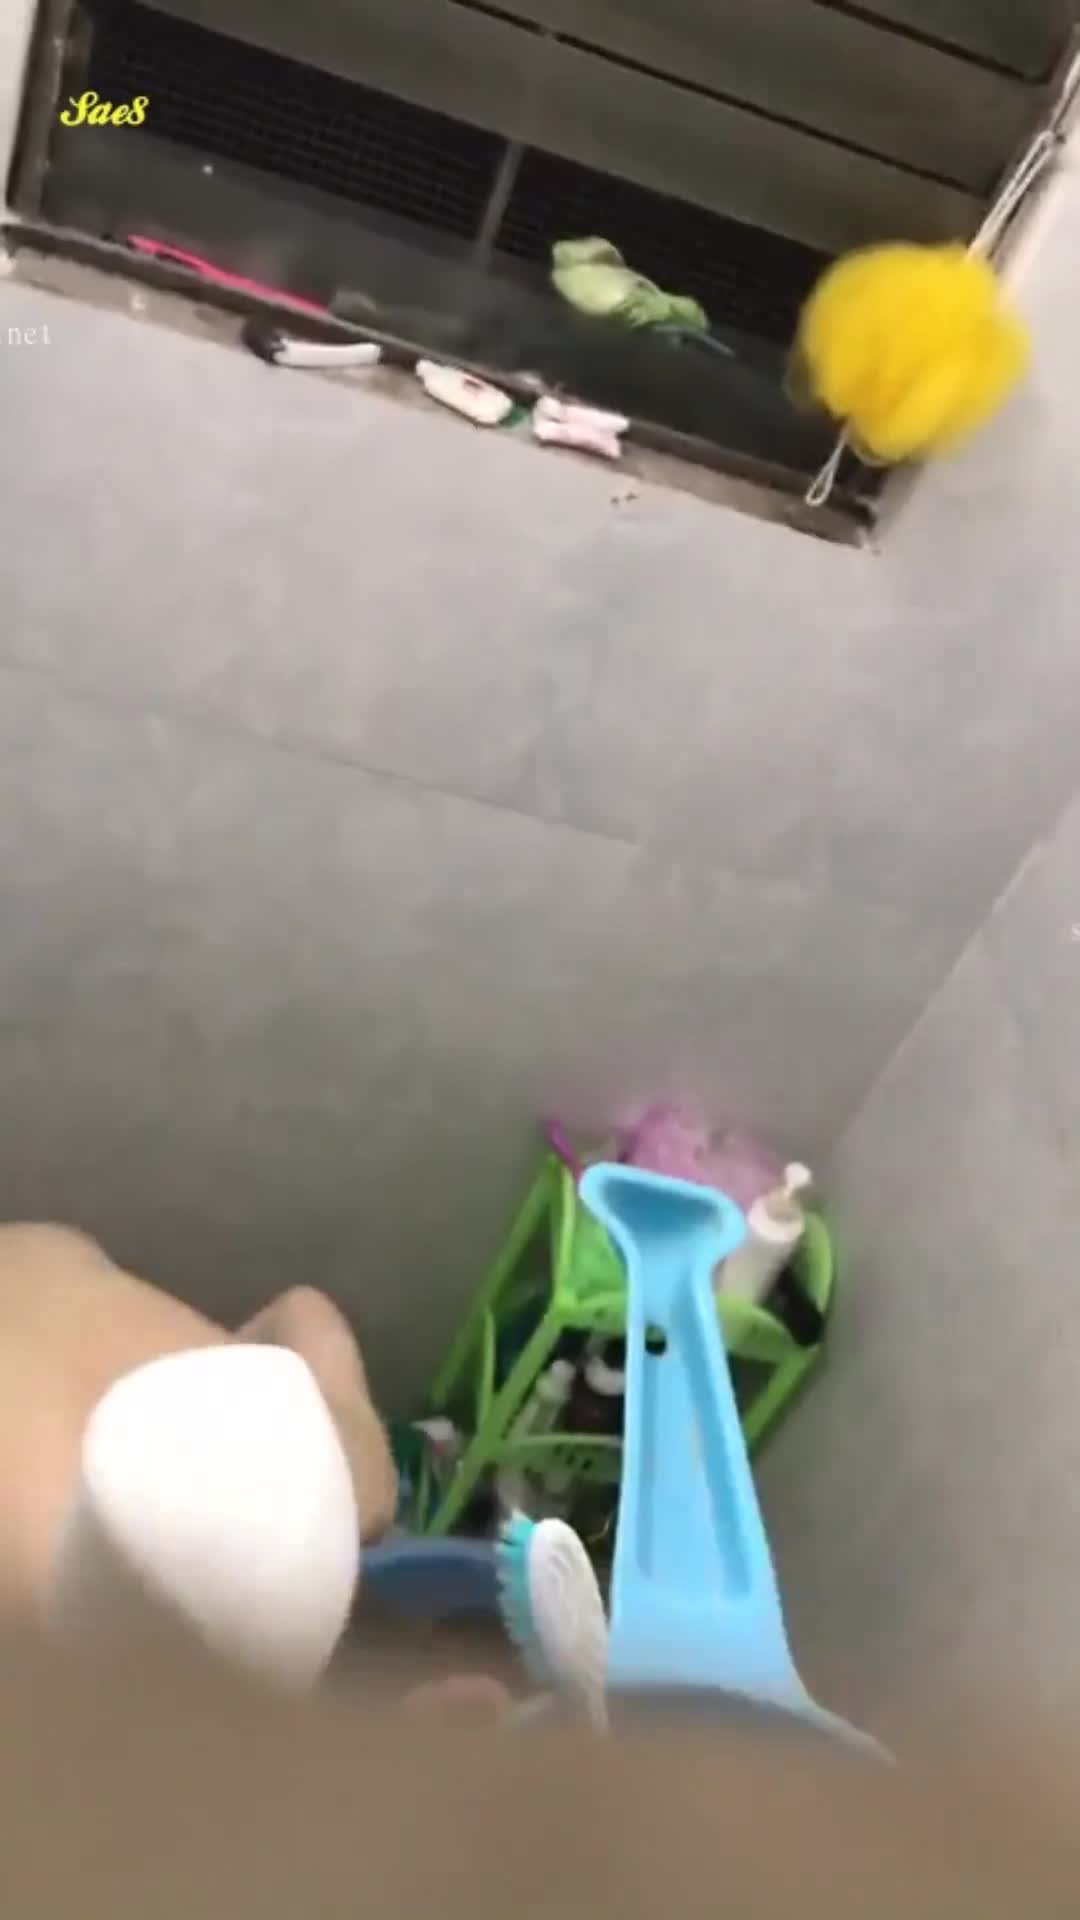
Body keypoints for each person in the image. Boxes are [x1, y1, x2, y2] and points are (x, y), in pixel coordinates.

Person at [0, 1223, 397, 1620]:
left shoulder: (327, 1481)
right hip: (52, 1254)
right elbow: (305, 1307)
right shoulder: (313, 1476)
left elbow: (305, 1308)